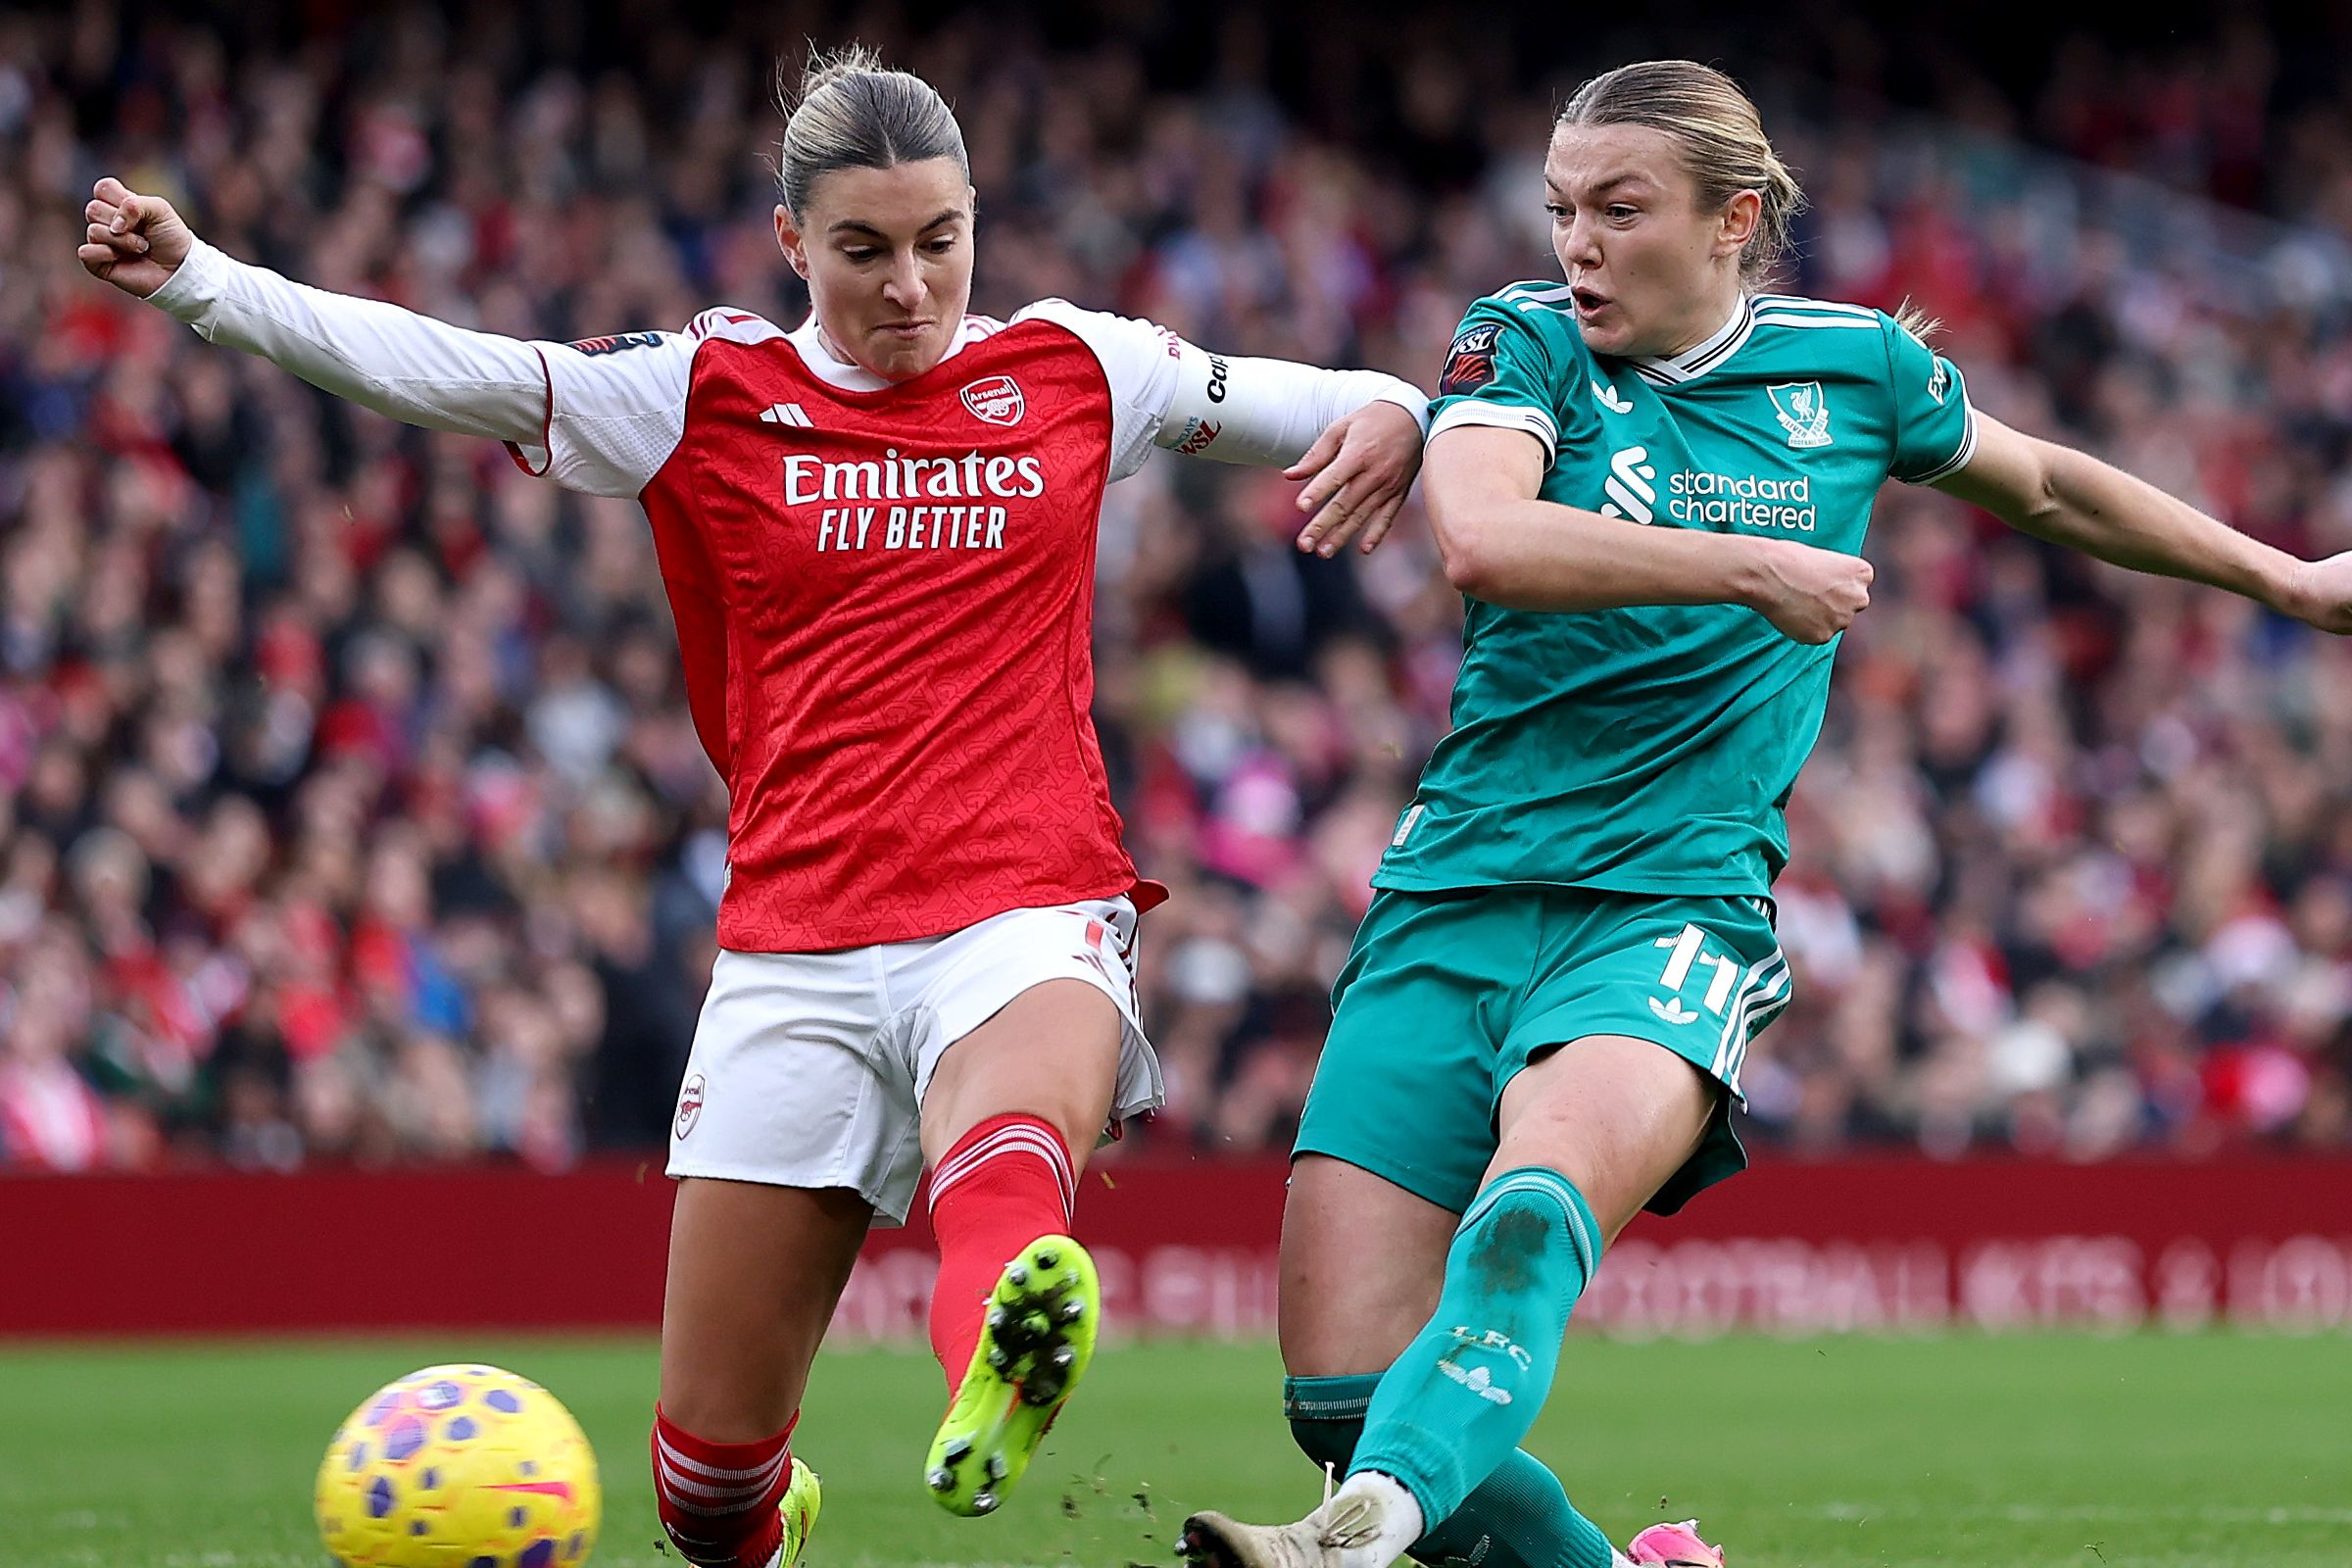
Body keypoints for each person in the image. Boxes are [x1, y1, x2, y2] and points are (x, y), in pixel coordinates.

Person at [80, 45, 1427, 1568]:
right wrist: (202, 280)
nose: (909, 285)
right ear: (795, 244)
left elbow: (1342, 396)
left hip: (1026, 901)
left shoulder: (1076, 369)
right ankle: (776, 1499)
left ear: (977, 223)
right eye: (864, 250)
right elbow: (436, 365)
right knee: (704, 1496)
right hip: (795, 948)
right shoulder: (702, 392)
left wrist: (1404, 412)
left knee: (1004, 1146)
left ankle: (999, 1349)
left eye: (940, 242)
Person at [1179, 58, 2352, 1568]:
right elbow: (1483, 538)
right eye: (1561, 211)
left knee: (1533, 1211)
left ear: (1733, 220)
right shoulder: (1517, 343)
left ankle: (1350, 1540)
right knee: (1346, 1391)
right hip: (1451, 902)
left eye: (1620, 208)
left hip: (1672, 906)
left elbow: (2051, 487)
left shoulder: (1855, 372)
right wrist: (1744, 564)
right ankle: (1549, 1544)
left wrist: (2290, 579)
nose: (1576, 245)